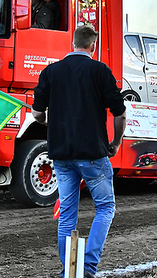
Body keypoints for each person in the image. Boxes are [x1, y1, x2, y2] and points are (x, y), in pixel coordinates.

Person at [32, 25, 126, 278]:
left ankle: (68, 271)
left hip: (61, 155)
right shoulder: (99, 71)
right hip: (92, 153)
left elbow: (37, 114)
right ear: (92, 46)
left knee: (67, 215)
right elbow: (120, 114)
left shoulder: (51, 72)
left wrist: (46, 122)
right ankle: (88, 267)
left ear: (72, 43)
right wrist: (116, 142)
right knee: (105, 207)